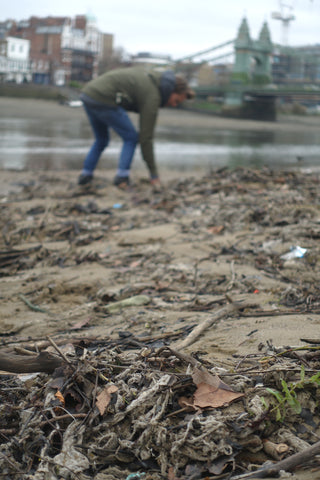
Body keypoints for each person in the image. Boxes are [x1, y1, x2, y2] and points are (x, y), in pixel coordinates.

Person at [78, 66, 195, 187]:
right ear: (172, 91)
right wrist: (153, 174)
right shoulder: (152, 96)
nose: (174, 105)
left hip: (88, 94)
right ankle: (122, 177)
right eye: (176, 101)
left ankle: (86, 175)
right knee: (131, 138)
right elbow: (146, 138)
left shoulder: (153, 78)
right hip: (104, 98)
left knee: (101, 139)